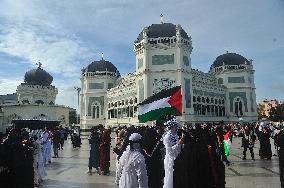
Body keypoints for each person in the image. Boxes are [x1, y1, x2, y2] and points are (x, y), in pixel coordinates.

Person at [162, 116, 183, 188]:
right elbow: (169, 152)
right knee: (170, 178)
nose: (177, 127)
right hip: (171, 160)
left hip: (178, 158)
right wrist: (179, 144)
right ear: (171, 127)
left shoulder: (176, 135)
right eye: (175, 126)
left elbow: (178, 147)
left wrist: (182, 145)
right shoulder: (167, 137)